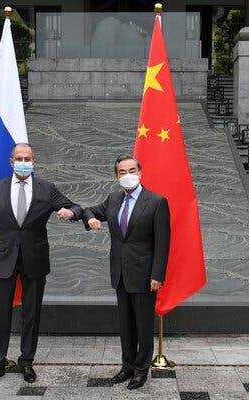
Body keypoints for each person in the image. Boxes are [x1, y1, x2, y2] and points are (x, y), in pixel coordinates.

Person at [0, 143, 82, 386]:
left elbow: (73, 206)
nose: (24, 161)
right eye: (19, 158)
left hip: (35, 259)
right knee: (1, 314)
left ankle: (26, 361)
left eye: (29, 158)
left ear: (34, 161)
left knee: (31, 313)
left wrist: (70, 213)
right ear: (11, 161)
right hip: (4, 259)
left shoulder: (47, 188)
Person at [83, 154, 170, 390]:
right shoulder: (113, 199)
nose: (128, 175)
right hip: (120, 274)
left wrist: (157, 275)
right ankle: (127, 366)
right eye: (122, 172)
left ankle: (141, 370)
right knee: (126, 325)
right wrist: (90, 218)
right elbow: (90, 210)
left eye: (132, 170)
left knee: (143, 326)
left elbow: (162, 243)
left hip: (145, 276)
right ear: (116, 176)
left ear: (140, 173)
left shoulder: (156, 202)